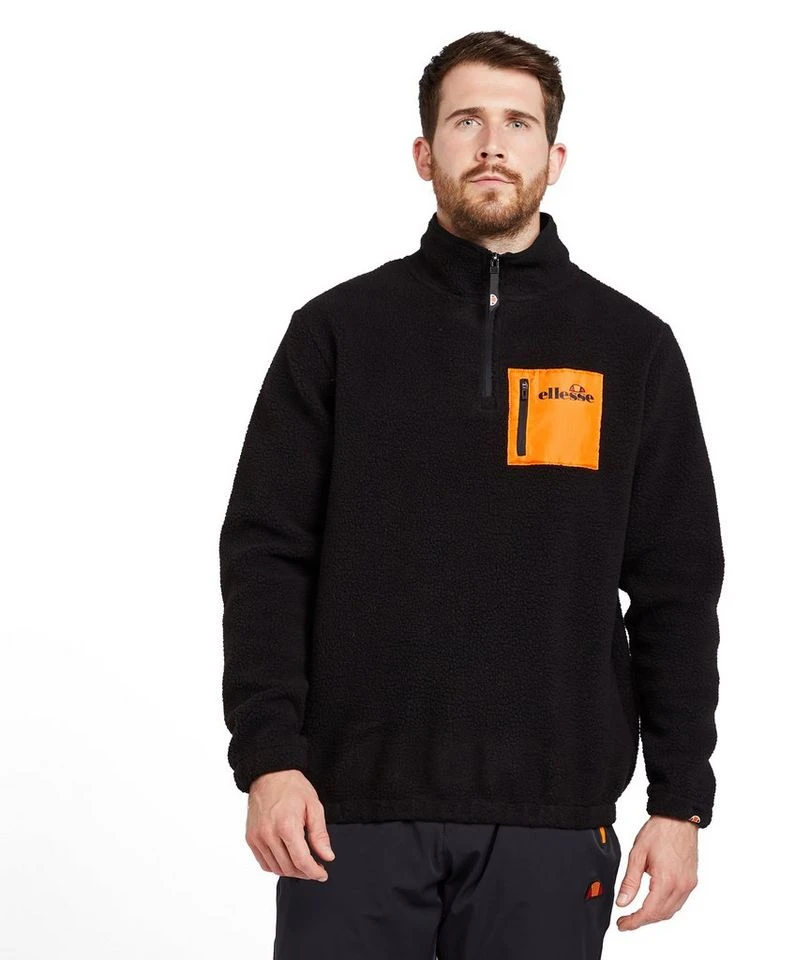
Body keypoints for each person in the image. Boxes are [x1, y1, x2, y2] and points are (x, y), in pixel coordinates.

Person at [219, 29, 724, 960]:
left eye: (518, 124)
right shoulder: (337, 334)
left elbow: (677, 589)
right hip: (348, 815)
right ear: (425, 153)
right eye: (467, 122)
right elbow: (265, 557)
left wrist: (681, 797)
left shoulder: (631, 348)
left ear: (554, 158)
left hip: (551, 820)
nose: (493, 145)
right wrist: (269, 758)